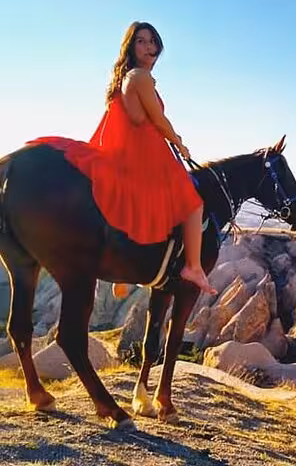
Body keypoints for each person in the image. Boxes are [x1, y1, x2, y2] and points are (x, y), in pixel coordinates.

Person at [27, 22, 216, 295]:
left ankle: (126, 271)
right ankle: (193, 267)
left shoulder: (127, 76)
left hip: (135, 147)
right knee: (192, 204)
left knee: (139, 201)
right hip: (145, 149)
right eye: (141, 41)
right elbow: (158, 120)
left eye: (152, 41)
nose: (148, 47)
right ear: (131, 47)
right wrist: (179, 142)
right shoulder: (140, 76)